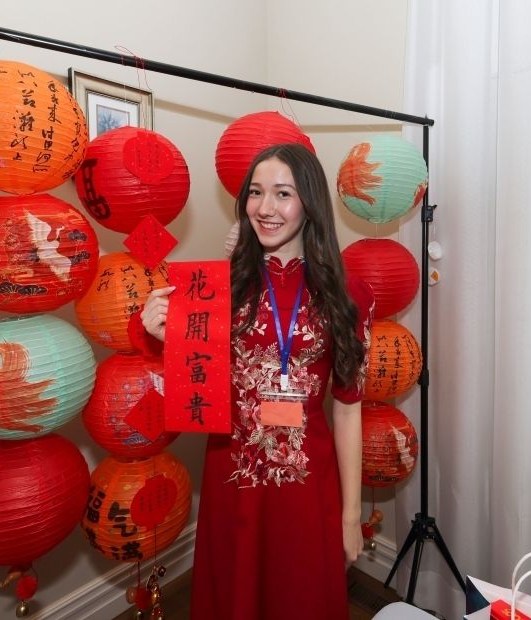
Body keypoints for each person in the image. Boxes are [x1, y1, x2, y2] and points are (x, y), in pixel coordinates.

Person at [141, 143, 373, 619]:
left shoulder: (349, 293)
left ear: (310, 202)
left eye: (283, 193)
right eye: (255, 193)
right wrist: (165, 337)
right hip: (234, 476)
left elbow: (348, 409)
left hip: (308, 482)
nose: (265, 208)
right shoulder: (217, 288)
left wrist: (351, 515)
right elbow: (195, 391)